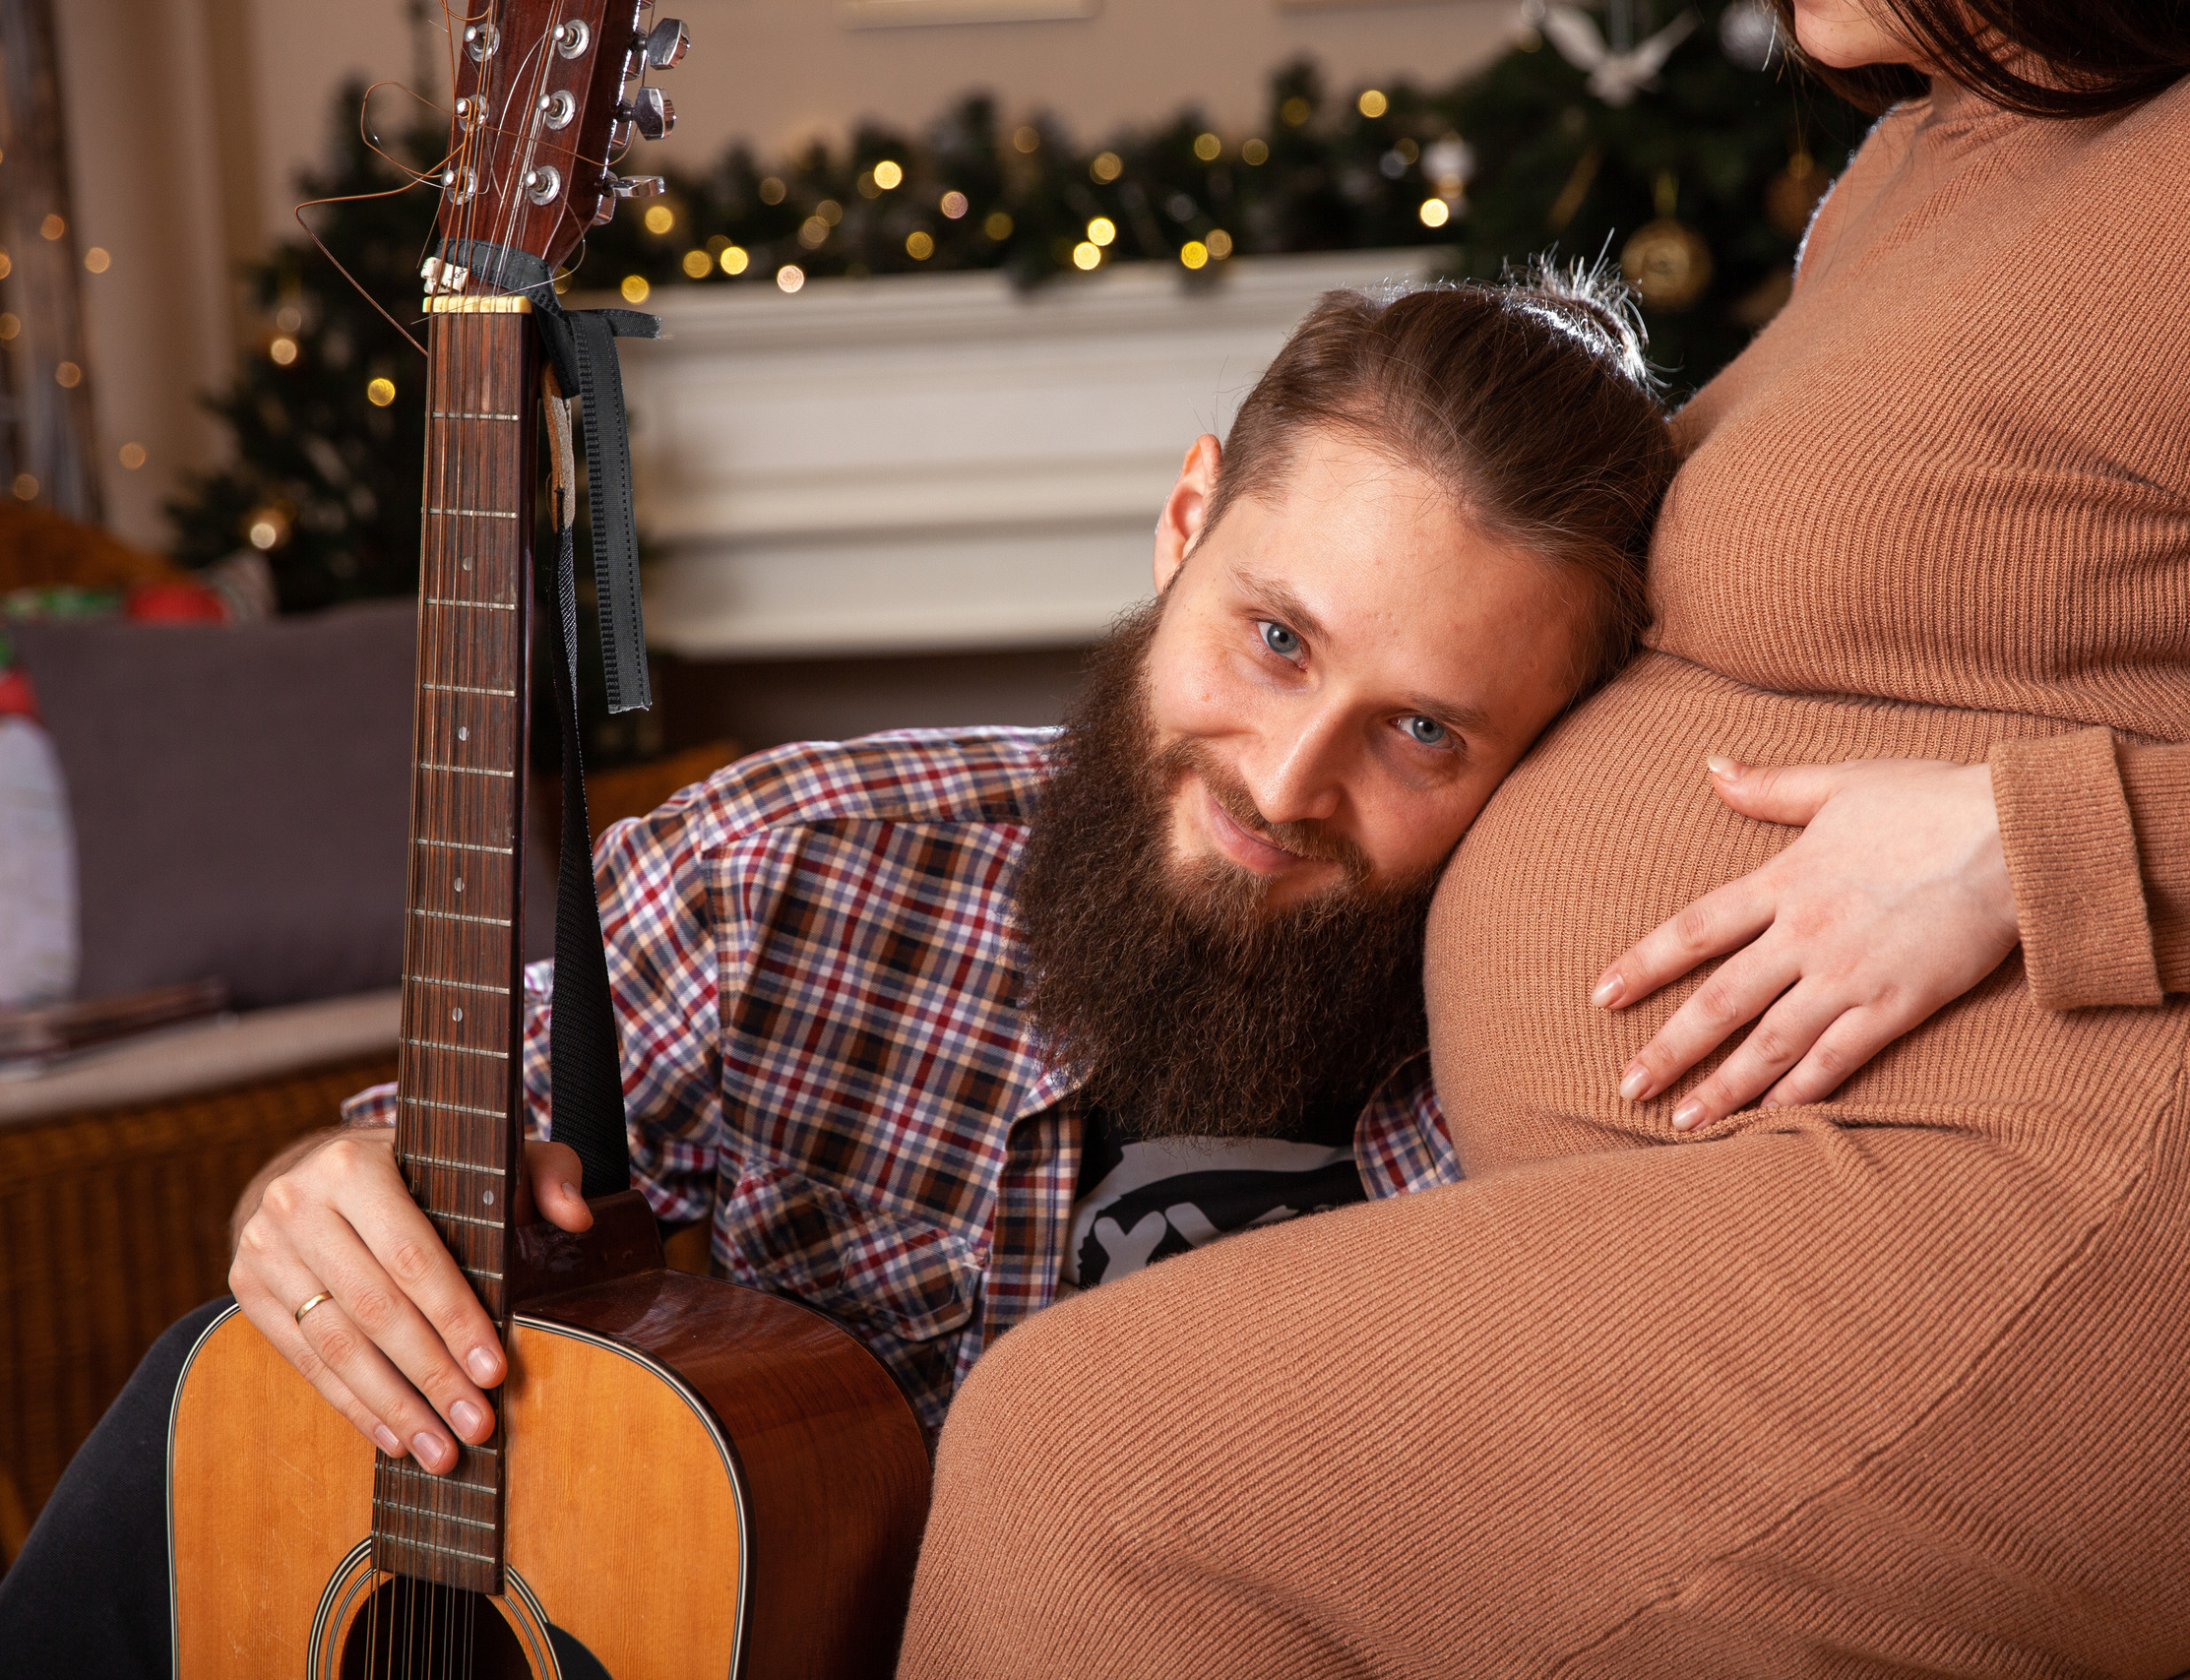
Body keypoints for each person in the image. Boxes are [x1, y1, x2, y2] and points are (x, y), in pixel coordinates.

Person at [896, 2, 2190, 1674]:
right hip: (1855, 1209)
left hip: (2128, 1244)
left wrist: (2028, 852)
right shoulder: (1917, 171)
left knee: (1084, 1461)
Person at [0, 271, 1679, 1673]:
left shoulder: (1562, 1105)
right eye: (1278, 639)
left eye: (1424, 732)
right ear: (1183, 524)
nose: (1290, 782)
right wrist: (326, 1190)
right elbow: (413, 1170)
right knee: (193, 1395)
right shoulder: (785, 867)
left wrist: (1961, 844)